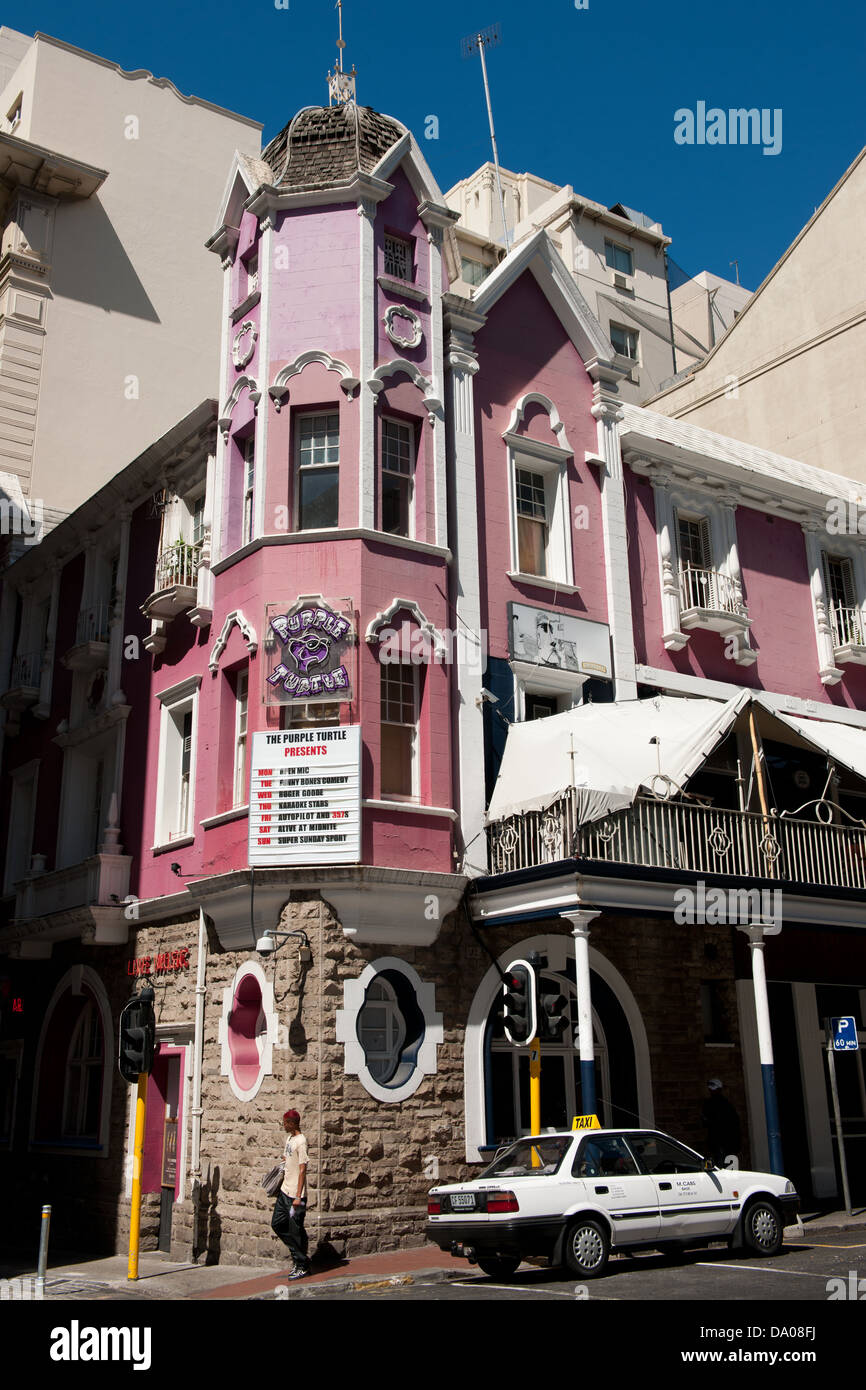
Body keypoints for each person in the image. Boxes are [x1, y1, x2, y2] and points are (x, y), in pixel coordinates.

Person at [271, 1108, 310, 1279]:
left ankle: (301, 1265)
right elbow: (288, 1158)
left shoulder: (301, 1141)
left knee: (295, 1230)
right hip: (284, 1192)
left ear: (293, 1123)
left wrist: (297, 1196)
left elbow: (303, 1170)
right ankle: (299, 1256)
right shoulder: (289, 1139)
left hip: (296, 1197)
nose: (284, 1125)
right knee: (277, 1224)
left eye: (286, 1122)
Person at [701, 1079, 741, 1168]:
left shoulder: (724, 1105)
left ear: (719, 1090)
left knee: (722, 1168)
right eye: (710, 1089)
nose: (711, 1091)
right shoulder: (711, 1104)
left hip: (724, 1144)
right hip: (717, 1144)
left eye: (714, 1089)